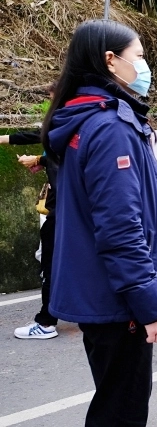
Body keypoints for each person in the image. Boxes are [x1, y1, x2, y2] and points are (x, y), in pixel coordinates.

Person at [43, 20, 157, 426]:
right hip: (120, 301)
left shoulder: (83, 119)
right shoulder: (109, 128)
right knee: (122, 409)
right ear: (110, 61)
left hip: (103, 292)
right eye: (138, 56)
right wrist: (151, 305)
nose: (144, 66)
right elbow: (121, 230)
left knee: (115, 398)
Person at [2, 93, 60, 341]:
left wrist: (39, 158)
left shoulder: (70, 118)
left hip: (64, 209)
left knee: (50, 265)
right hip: (76, 208)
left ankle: (46, 322)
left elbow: (60, 149)